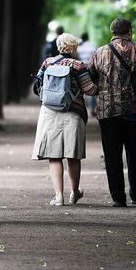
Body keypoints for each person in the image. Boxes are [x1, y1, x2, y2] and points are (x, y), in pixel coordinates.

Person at [88, 18, 136, 207]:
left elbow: (90, 78)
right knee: (135, 151)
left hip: (108, 112)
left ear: (112, 32)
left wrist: (100, 93)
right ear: (129, 31)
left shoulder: (100, 53)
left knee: (112, 154)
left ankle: (118, 198)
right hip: (135, 111)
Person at [32, 33, 98, 206]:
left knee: (54, 156)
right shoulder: (79, 66)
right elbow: (90, 90)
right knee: (72, 156)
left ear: (59, 46)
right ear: (74, 48)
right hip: (73, 113)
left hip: (50, 113)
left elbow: (36, 86)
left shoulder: (48, 63)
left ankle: (59, 196)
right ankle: (74, 193)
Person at [77, 33, 97, 117]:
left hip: (79, 69)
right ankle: (92, 109)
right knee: (91, 89)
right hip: (90, 70)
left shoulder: (78, 47)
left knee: (81, 90)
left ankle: (81, 109)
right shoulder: (92, 46)